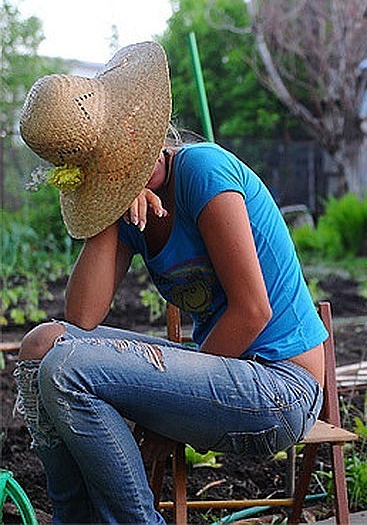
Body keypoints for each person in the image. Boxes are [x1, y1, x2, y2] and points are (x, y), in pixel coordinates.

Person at [13, 42, 328, 524]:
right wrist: (108, 209)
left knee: (70, 369)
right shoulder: (130, 210)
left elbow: (253, 311)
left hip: (279, 387)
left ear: (137, 135)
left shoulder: (202, 171)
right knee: (42, 347)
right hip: (219, 378)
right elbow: (82, 317)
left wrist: (176, 411)